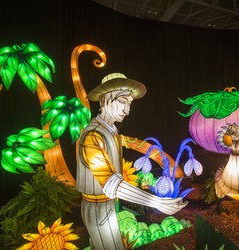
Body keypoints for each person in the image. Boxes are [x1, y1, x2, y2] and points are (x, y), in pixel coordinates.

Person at [76, 73, 187, 250]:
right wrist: (156, 202)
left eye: (129, 103)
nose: (127, 110)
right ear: (104, 100)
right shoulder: (93, 136)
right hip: (98, 207)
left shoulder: (110, 132)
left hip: (109, 205)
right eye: (122, 101)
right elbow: (110, 183)